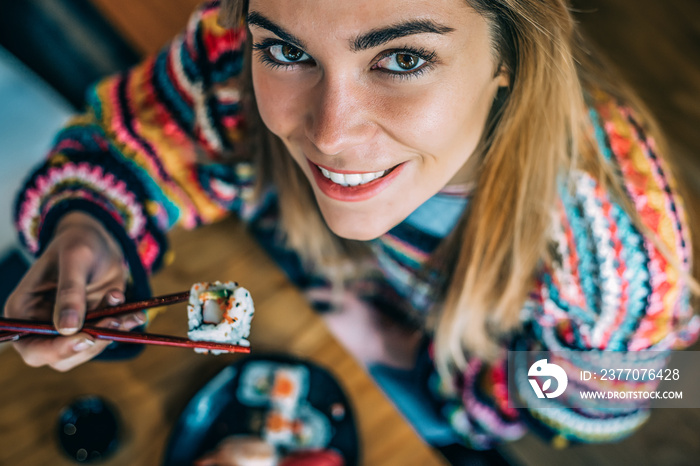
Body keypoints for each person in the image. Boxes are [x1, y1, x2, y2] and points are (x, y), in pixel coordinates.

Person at [5, 0, 699, 456]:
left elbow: (604, 399)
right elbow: (145, 139)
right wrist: (90, 225)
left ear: (510, 56)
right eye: (287, 53)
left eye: (402, 59)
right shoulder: (240, 40)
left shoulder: (622, 257)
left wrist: (428, 370)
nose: (330, 136)